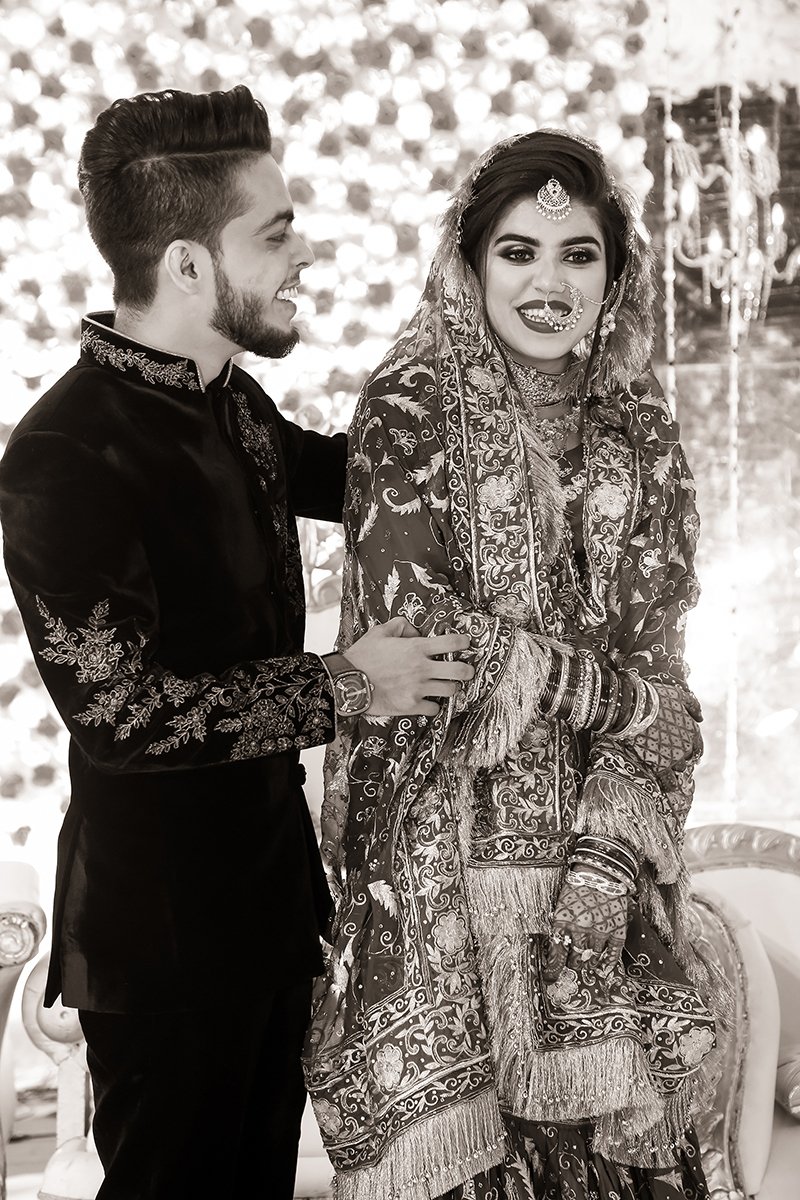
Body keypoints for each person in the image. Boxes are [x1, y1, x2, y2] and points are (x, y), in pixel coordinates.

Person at [0, 85, 474, 1200]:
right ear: (187, 264)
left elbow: (358, 478)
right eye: (275, 233)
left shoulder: (232, 402)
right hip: (160, 941)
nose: (302, 254)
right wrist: (346, 685)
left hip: (269, 911)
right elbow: (122, 716)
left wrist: (496, 399)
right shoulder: (64, 453)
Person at [304, 130, 728, 1200]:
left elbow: (661, 659)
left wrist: (605, 859)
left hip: (603, 851)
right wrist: (613, 697)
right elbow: (428, 640)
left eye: (578, 254)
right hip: (444, 857)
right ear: (471, 263)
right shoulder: (408, 407)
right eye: (518, 252)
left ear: (615, 275)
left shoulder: (639, 426)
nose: (549, 283)